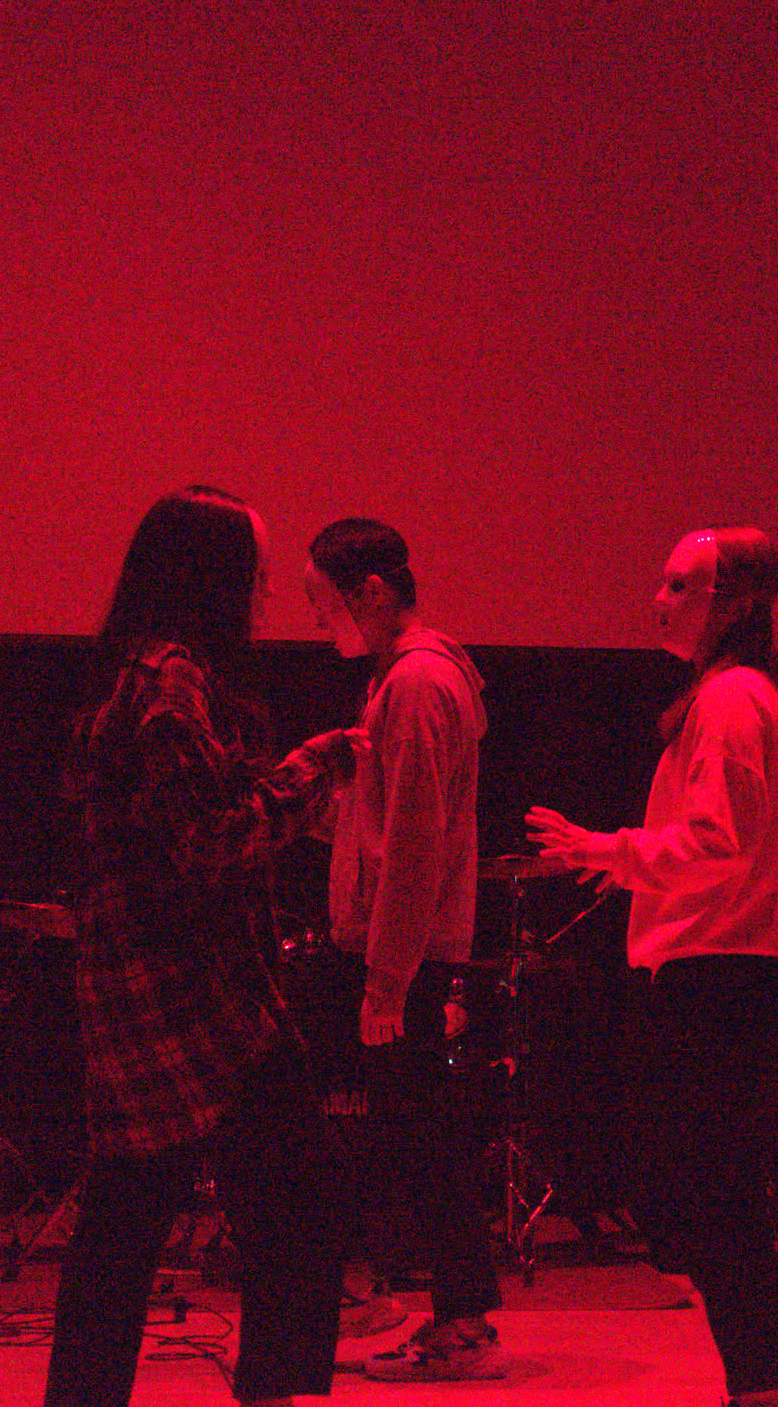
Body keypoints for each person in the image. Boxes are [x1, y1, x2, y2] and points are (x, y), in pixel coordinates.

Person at [46, 486, 361, 1407]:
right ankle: (275, 1391)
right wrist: (315, 772)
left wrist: (285, 781)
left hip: (142, 989)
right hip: (193, 1001)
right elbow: (210, 839)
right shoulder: (172, 682)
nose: (265, 593)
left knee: (129, 1221)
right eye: (255, 573)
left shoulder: (129, 670)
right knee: (292, 1206)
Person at [527, 526, 778, 1407]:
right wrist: (621, 862)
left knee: (700, 1187)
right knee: (710, 1184)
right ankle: (773, 1372)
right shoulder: (733, 695)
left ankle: (762, 1378)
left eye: (678, 585)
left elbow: (715, 841)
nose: (658, 601)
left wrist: (605, 849)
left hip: (719, 973)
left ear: (731, 603)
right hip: (725, 968)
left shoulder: (731, 699)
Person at [300, 517, 502, 1381]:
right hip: (395, 951)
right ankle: (416, 1308)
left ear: (372, 592)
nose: (317, 619)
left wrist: (386, 981)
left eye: (322, 601)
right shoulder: (400, 680)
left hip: (402, 959)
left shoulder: (419, 683)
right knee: (410, 1136)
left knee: (427, 1141)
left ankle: (465, 1329)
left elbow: (416, 841)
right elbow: (386, 826)